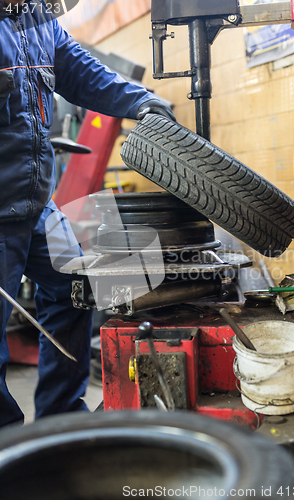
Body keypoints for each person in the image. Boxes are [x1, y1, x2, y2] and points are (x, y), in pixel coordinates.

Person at [0, 0, 176, 427]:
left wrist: (143, 102)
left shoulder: (38, 24)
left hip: (35, 204)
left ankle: (61, 417)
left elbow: (81, 71)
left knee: (76, 284)